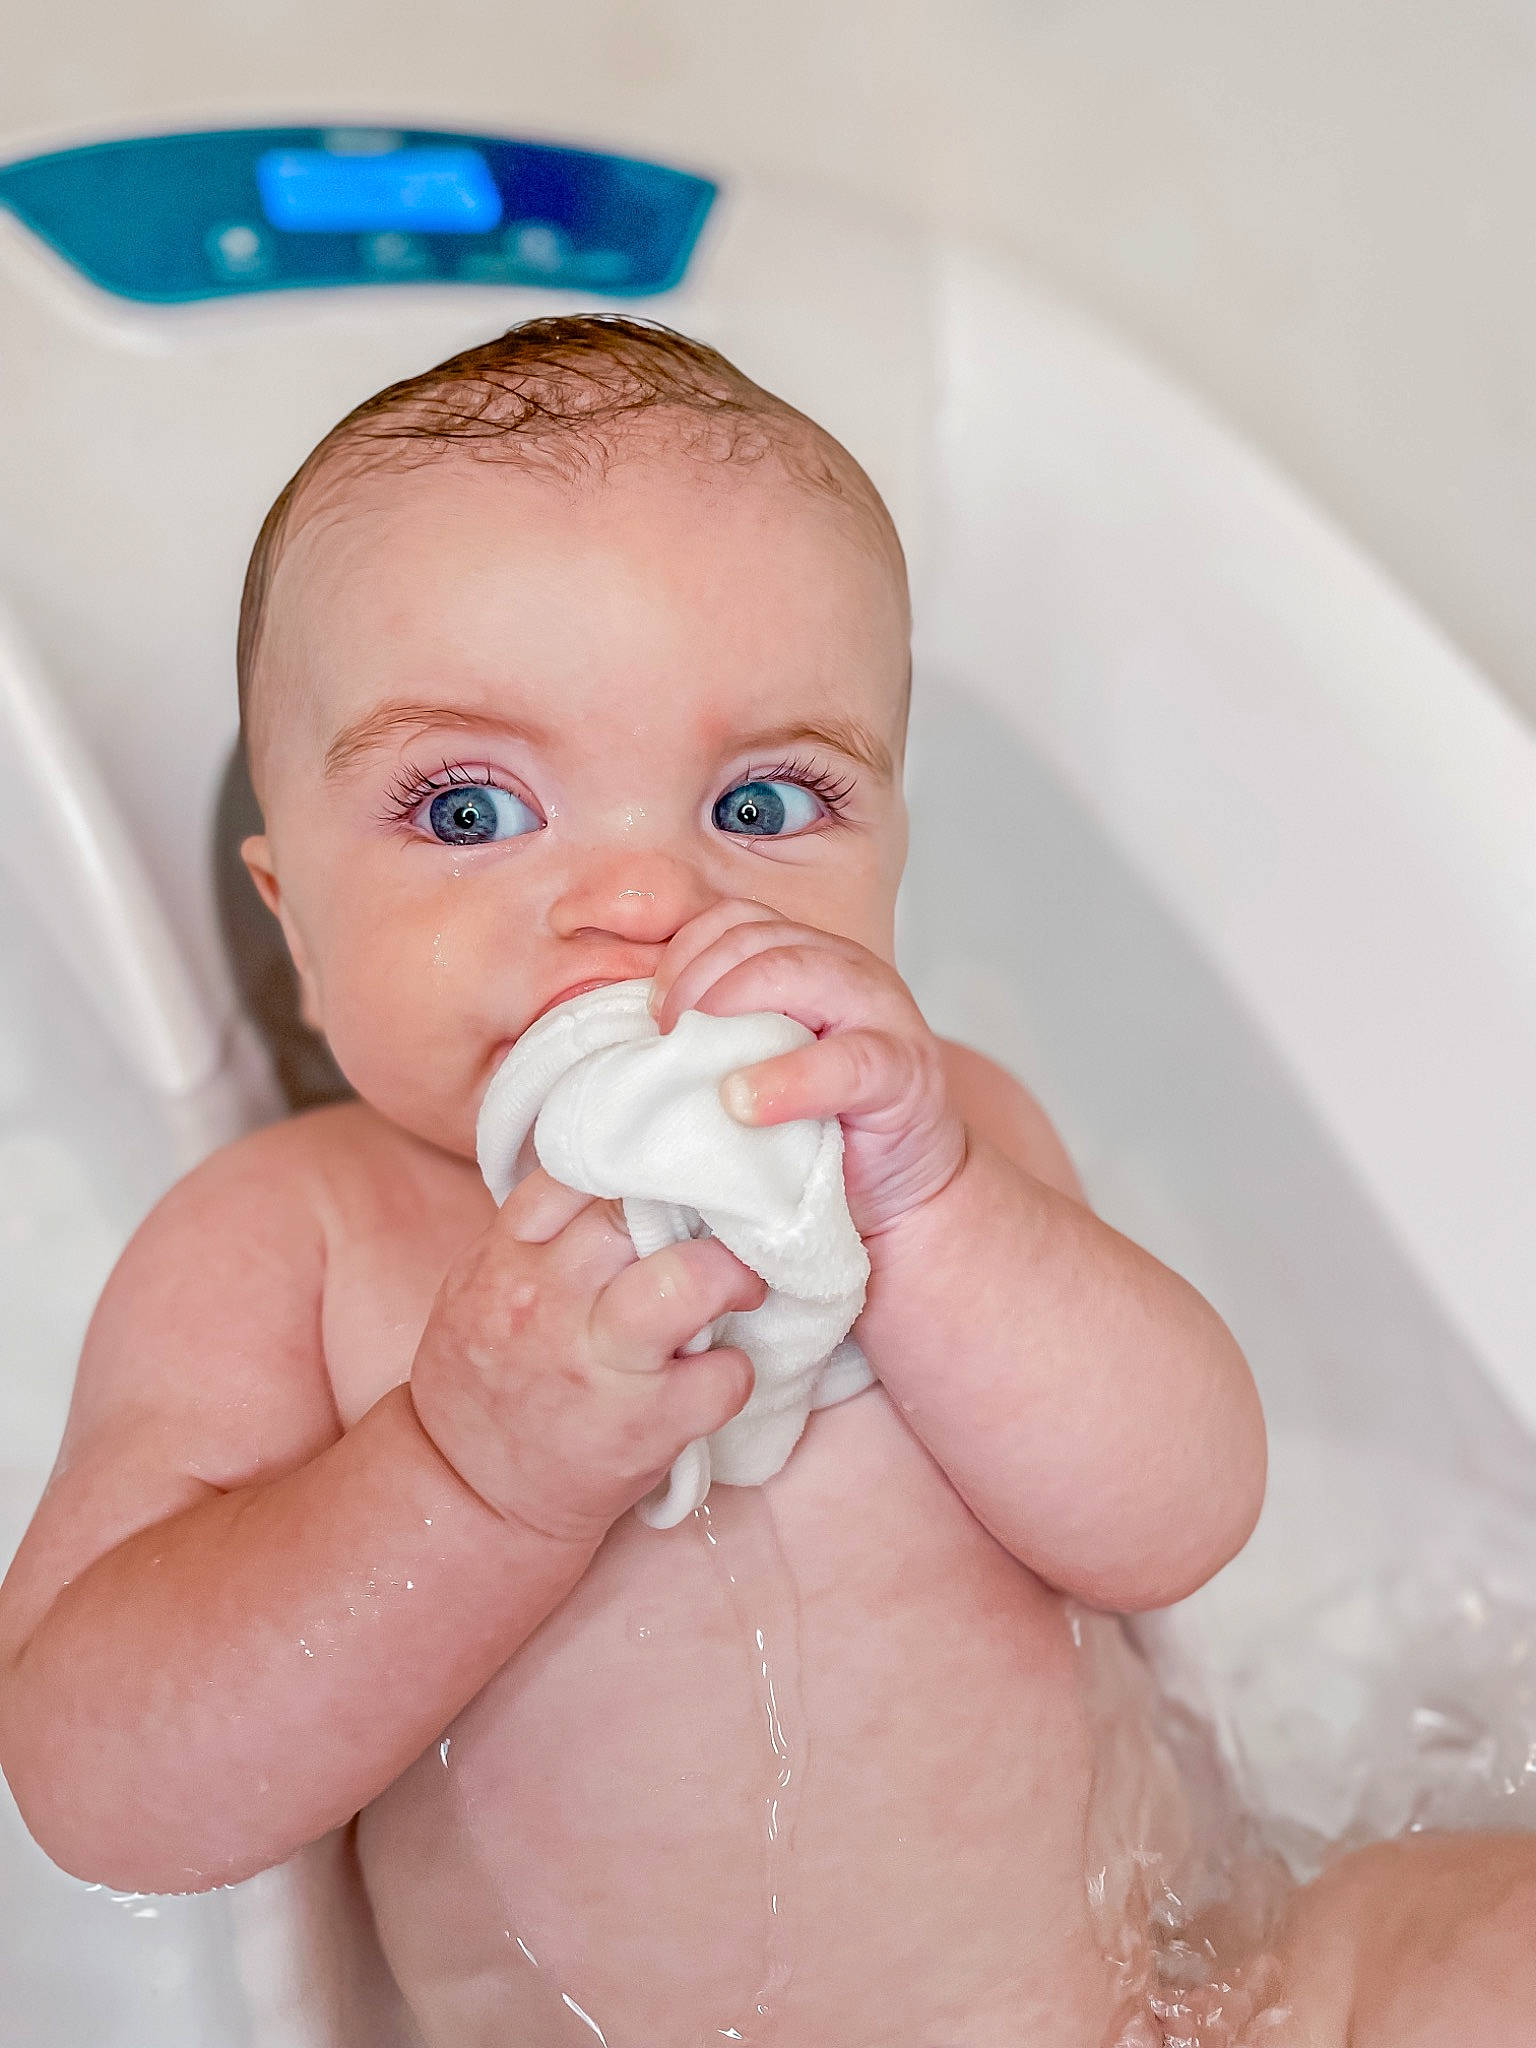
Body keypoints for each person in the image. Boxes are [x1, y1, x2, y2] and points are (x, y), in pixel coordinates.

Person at [0, 317, 1526, 2046]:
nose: (640, 901)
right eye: (470, 812)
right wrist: (461, 1474)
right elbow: (101, 1783)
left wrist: (941, 1213)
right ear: (292, 928)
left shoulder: (939, 1141)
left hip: (1197, 2004)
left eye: (760, 799)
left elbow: (1181, 1517)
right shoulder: (292, 1246)